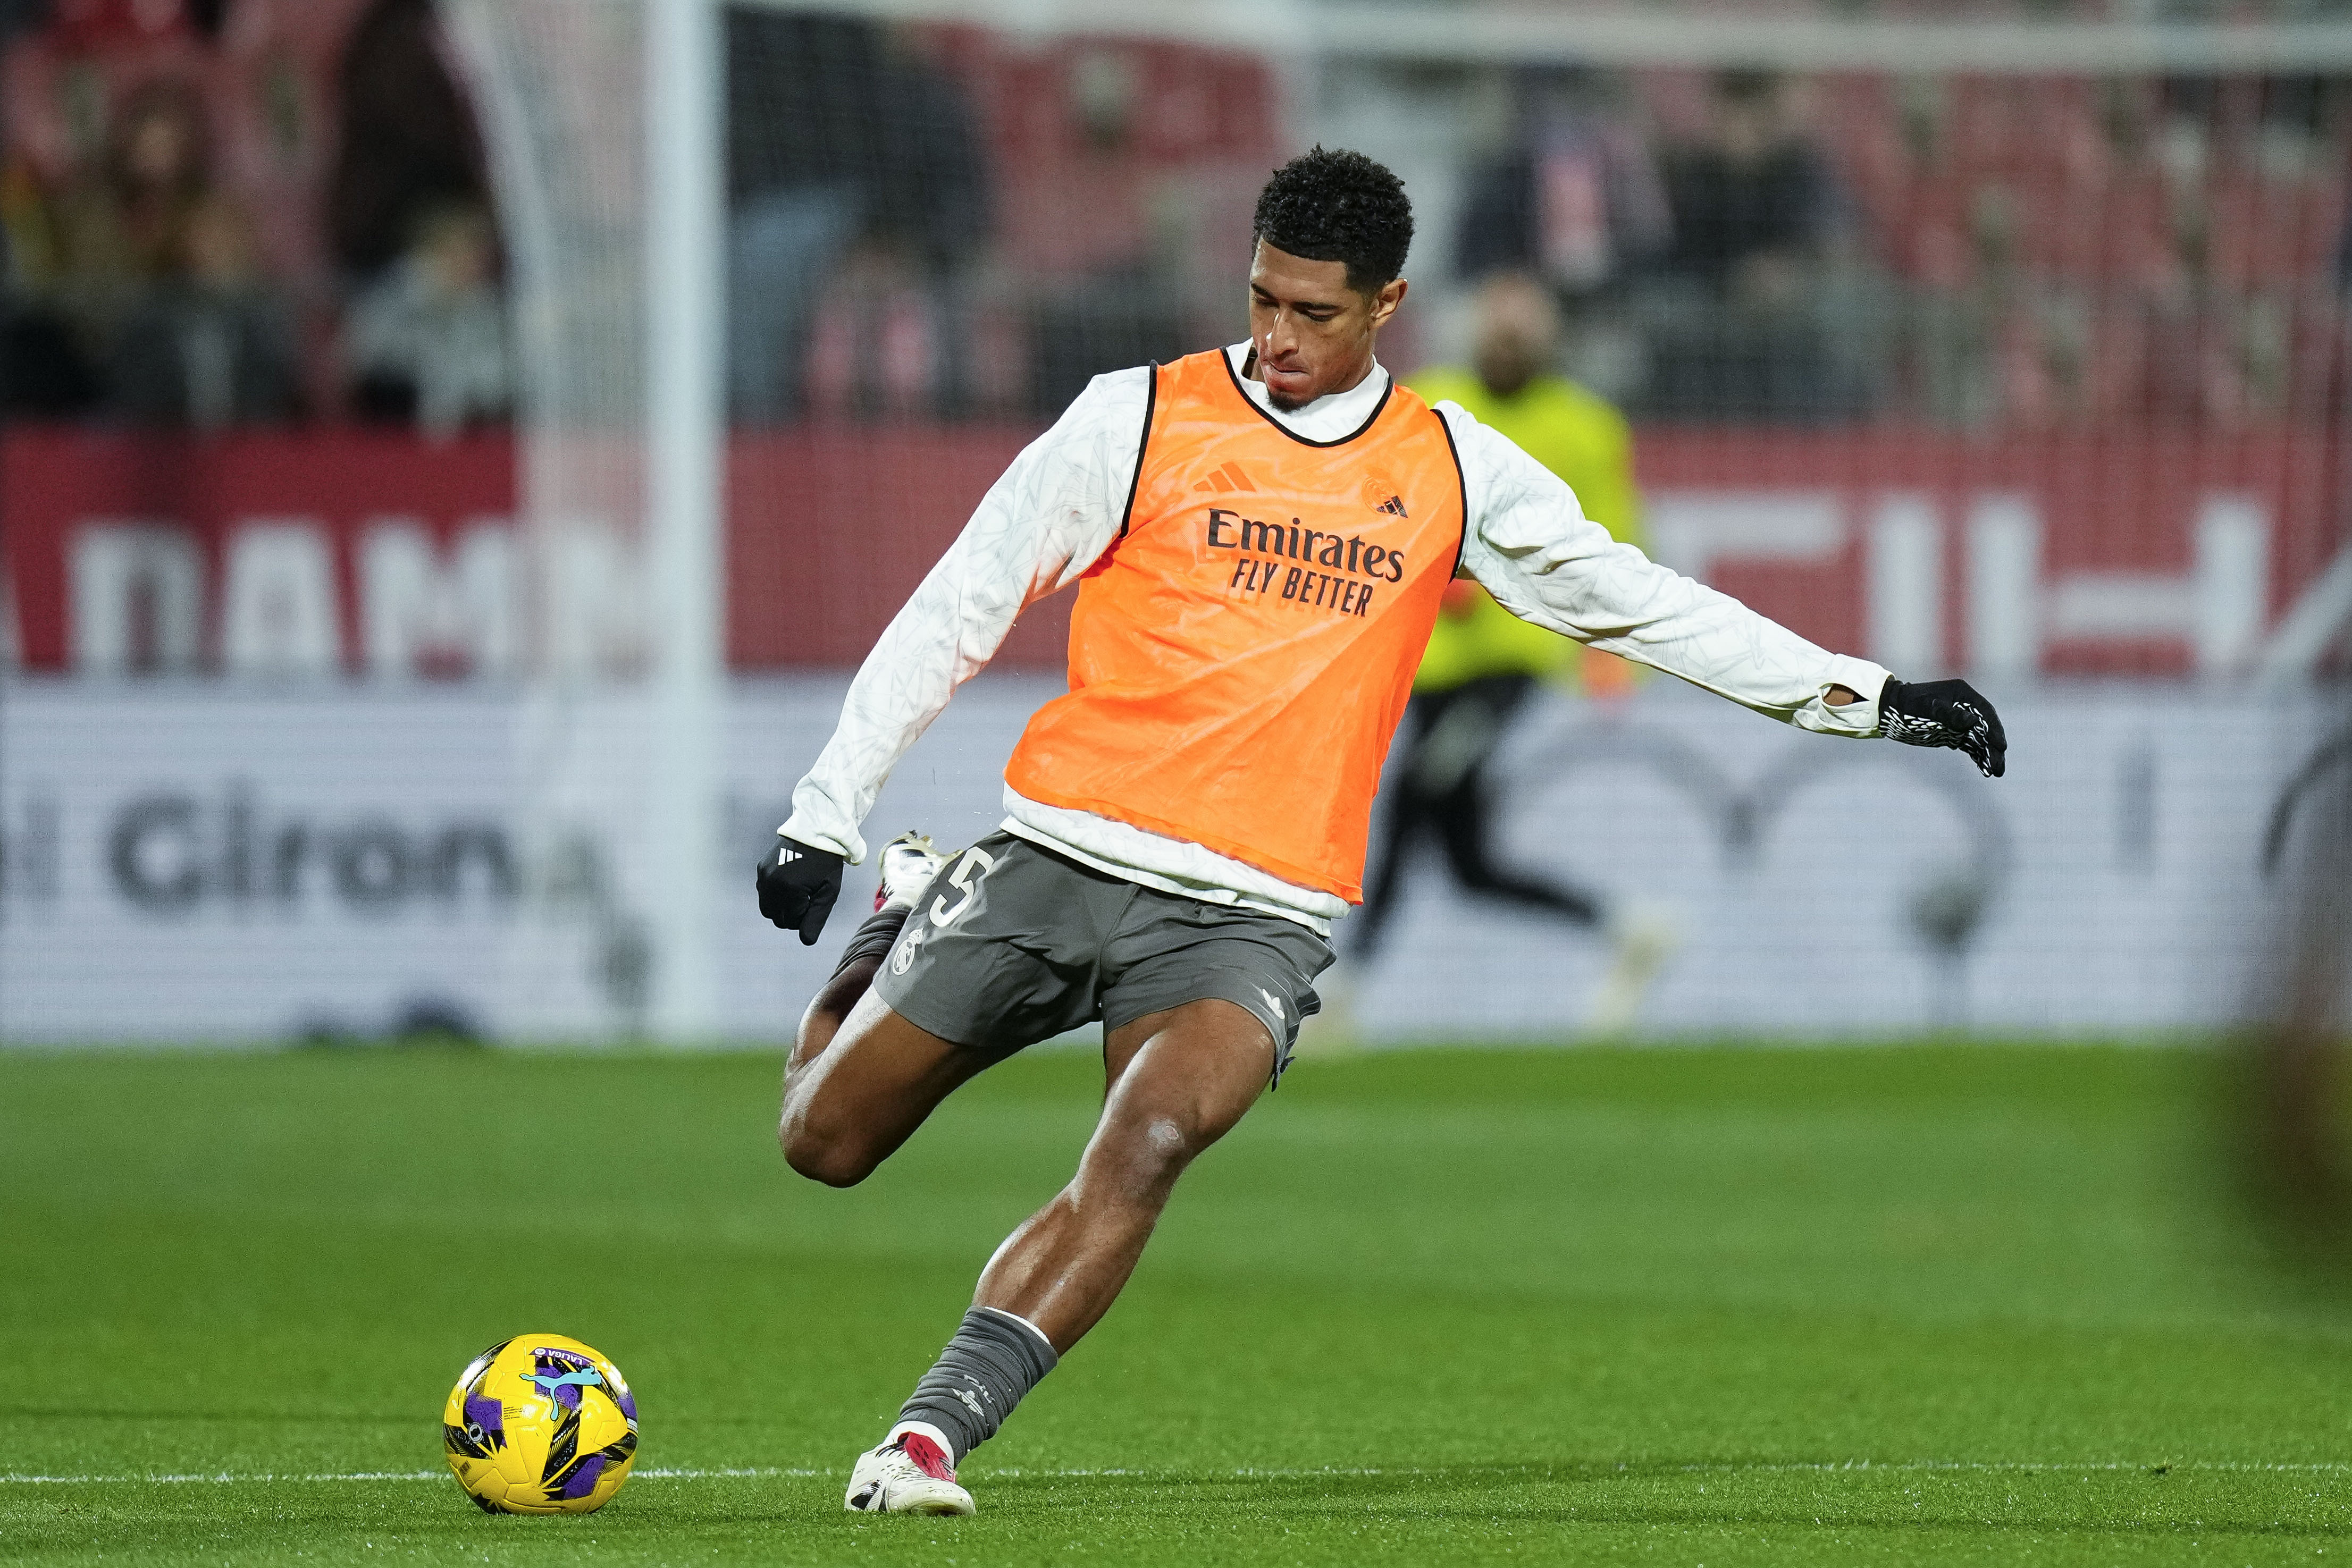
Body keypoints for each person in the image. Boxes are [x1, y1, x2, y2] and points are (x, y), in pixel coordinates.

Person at [754, 147, 2005, 1517]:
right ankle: (901, 914)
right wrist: (828, 811)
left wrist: (1873, 699)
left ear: (1388, 304)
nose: (1277, 340)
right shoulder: (1136, 418)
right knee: (825, 1139)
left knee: (1152, 1138)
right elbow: (960, 604)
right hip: (1060, 850)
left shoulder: (1453, 468)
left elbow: (1643, 604)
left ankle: (925, 1439)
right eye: (1261, 301)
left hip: (1253, 908)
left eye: (1314, 314)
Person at [1349, 272, 1666, 1032]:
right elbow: (1380, 507)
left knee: (1415, 790)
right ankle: (1629, 928)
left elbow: (1616, 541)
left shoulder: (1586, 427)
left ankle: (1343, 993)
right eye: (1499, 330)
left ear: (1550, 342)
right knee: (1467, 864)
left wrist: (1609, 650)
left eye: (1523, 333)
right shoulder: (1429, 402)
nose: (1508, 344)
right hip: (1430, 661)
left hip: (1516, 661)